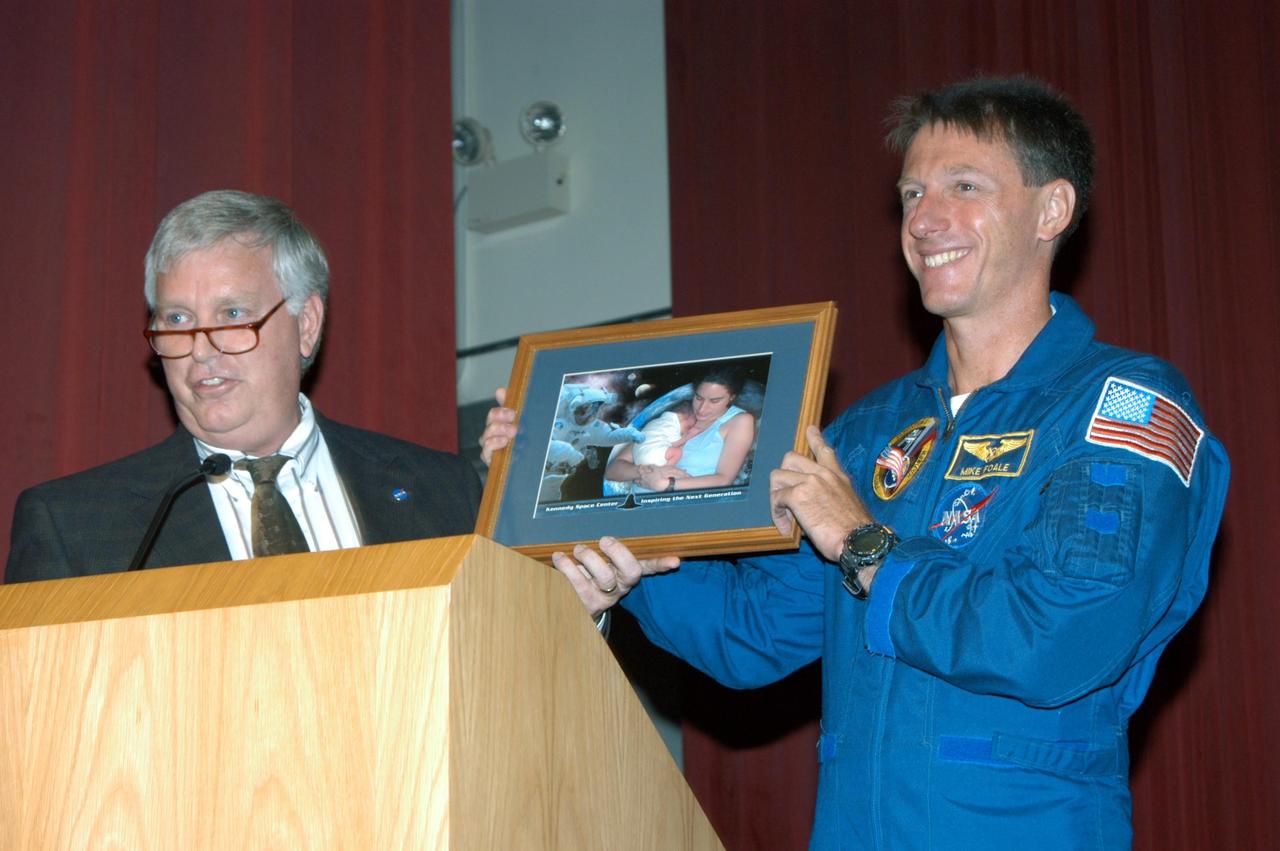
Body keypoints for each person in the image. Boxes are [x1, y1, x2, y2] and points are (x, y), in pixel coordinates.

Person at [481, 76, 1230, 849]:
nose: (926, 220)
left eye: (963, 187)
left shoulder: (1122, 404)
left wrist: (865, 545)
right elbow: (752, 633)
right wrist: (596, 515)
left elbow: (1057, 637)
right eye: (911, 194)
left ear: (1052, 210)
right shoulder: (872, 431)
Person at [6, 190, 480, 582]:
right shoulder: (75, 527)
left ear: (306, 324)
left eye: (232, 315)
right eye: (177, 319)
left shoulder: (442, 492)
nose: (200, 349)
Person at [603, 369, 755, 494]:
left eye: (714, 401)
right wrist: (647, 471)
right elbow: (613, 470)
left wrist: (665, 484)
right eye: (699, 398)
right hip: (639, 505)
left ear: (731, 398)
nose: (702, 409)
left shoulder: (739, 421)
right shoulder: (680, 417)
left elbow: (723, 479)